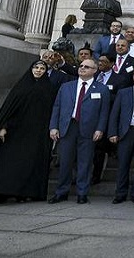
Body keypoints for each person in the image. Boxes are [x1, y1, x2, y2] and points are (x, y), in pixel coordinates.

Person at [0, 61, 55, 203]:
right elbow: (9, 109)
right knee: (7, 163)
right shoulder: (21, 87)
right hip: (14, 132)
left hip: (36, 134)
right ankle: (1, 192)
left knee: (28, 165)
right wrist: (3, 127)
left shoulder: (48, 88)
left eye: (42, 68)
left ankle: (24, 193)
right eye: (36, 67)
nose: (38, 70)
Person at [48, 58, 111, 204]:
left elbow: (104, 112)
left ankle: (82, 193)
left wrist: (100, 129)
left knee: (85, 162)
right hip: (68, 127)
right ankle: (61, 192)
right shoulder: (66, 87)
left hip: (88, 130)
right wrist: (53, 126)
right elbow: (56, 107)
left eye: (87, 67)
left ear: (95, 71)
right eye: (81, 66)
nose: (82, 68)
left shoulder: (102, 89)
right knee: (65, 161)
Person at [108, 67, 134, 204]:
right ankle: (120, 193)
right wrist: (113, 132)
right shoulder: (123, 92)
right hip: (126, 132)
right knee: (123, 164)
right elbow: (115, 113)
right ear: (133, 76)